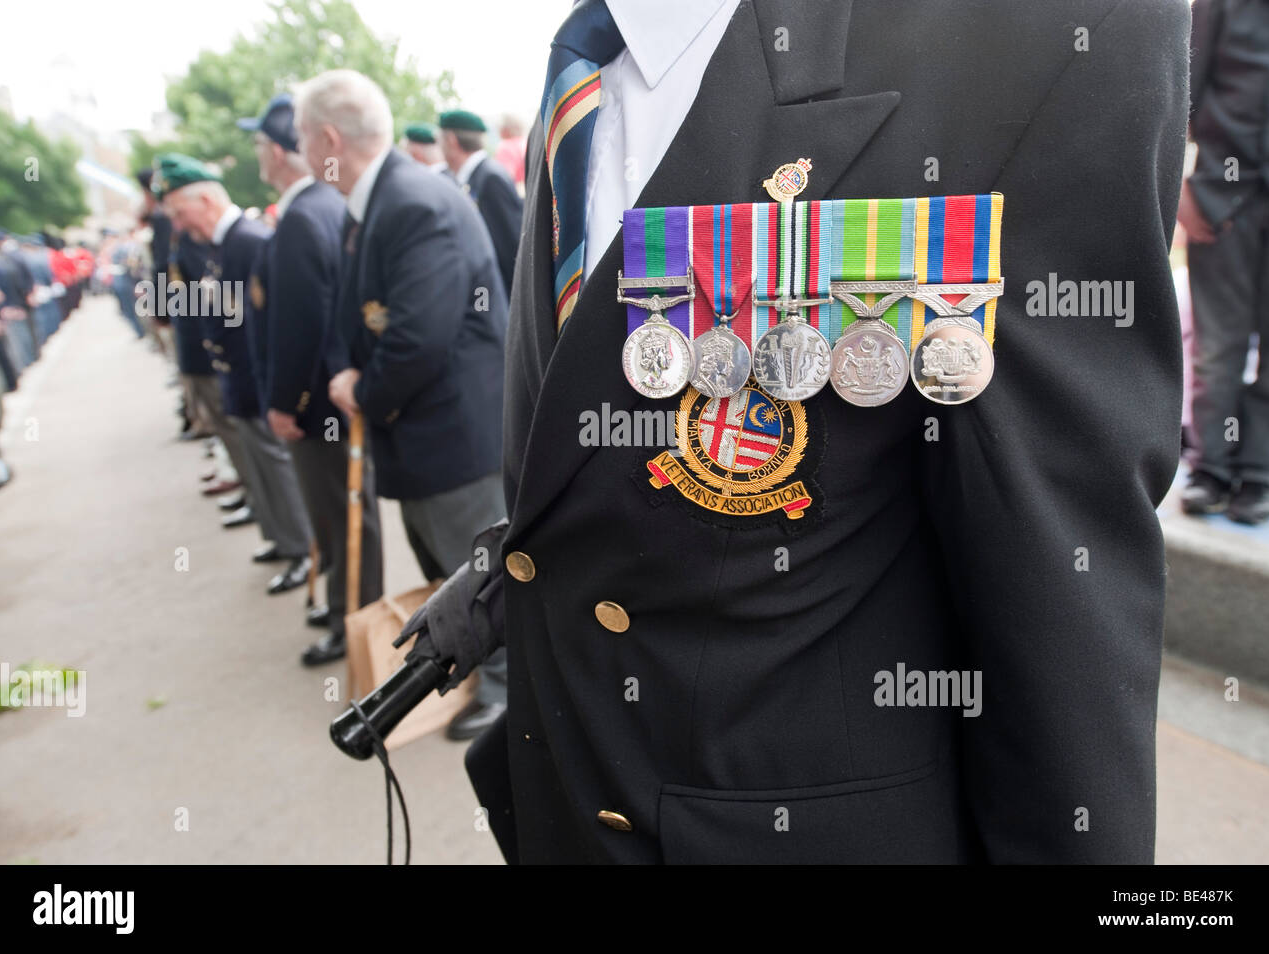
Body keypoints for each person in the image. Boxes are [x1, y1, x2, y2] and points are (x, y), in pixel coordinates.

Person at [451, 0, 1192, 864]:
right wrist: (500, 577)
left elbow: (1063, 600)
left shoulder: (1038, 29)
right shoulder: (582, 68)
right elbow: (590, 461)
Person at [295, 69, 510, 737]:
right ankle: (483, 678)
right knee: (451, 577)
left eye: (303, 138)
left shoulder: (410, 202)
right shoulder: (382, 200)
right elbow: (367, 316)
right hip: (426, 439)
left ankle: (510, 694)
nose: (300, 152)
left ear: (328, 137)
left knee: (477, 581)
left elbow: (419, 338)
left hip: (453, 442)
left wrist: (361, 388)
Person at [239, 93, 386, 665]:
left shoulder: (304, 215)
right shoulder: (326, 204)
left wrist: (285, 402)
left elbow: (299, 324)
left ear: (280, 151)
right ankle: (347, 609)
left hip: (318, 402)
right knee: (343, 512)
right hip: (331, 392)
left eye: (263, 143)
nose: (263, 153)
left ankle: (354, 622)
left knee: (341, 513)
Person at [157, 153, 316, 594]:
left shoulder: (247, 240)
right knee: (256, 465)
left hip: (251, 372)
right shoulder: (223, 242)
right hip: (236, 372)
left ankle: (301, 549)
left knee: (274, 466)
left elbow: (261, 318)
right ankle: (281, 537)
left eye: (180, 210)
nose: (178, 222)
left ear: (205, 200)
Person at [1178, 0, 1269, 526]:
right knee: (1217, 348)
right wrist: (1185, 187)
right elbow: (1184, 89)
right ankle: (1210, 468)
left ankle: (1262, 474)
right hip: (1223, 196)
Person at [439, 109, 524, 295]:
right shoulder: (472, 177)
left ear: (451, 140)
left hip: (492, 294)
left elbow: (509, 247)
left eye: (440, 139)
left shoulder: (490, 178)